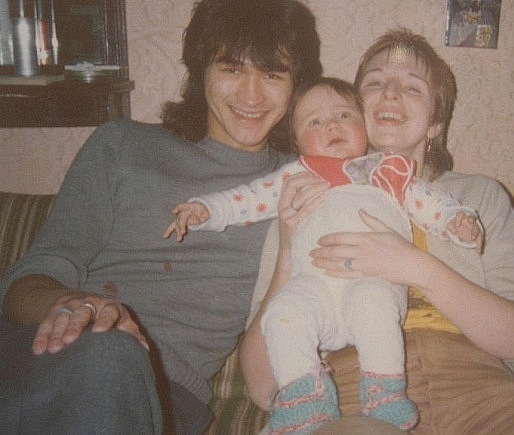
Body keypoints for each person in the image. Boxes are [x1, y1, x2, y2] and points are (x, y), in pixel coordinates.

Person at [240, 28, 514, 433]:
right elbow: (261, 385)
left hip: (484, 392)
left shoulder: (479, 198)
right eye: (375, 83)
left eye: (412, 87)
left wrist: (416, 267)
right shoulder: (302, 198)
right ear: (356, 108)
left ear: (435, 122)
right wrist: (288, 250)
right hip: (351, 398)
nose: (390, 93)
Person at [0, 0, 322, 433]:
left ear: (297, 84)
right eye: (230, 68)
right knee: (106, 349)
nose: (251, 95)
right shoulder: (121, 146)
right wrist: (74, 305)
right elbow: (25, 285)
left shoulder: (299, 187)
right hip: (42, 357)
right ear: (200, 70)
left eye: (272, 74)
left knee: (113, 354)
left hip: (166, 397)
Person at [163, 77, 483, 432]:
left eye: (344, 115)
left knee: (374, 304)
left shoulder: (388, 172)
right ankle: (306, 398)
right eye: (314, 121)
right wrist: (206, 210)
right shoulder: (296, 176)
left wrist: (457, 221)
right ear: (297, 142)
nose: (332, 125)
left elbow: (432, 204)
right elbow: (246, 199)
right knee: (282, 314)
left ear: (364, 126)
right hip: (313, 289)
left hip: (372, 282)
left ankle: (385, 395)